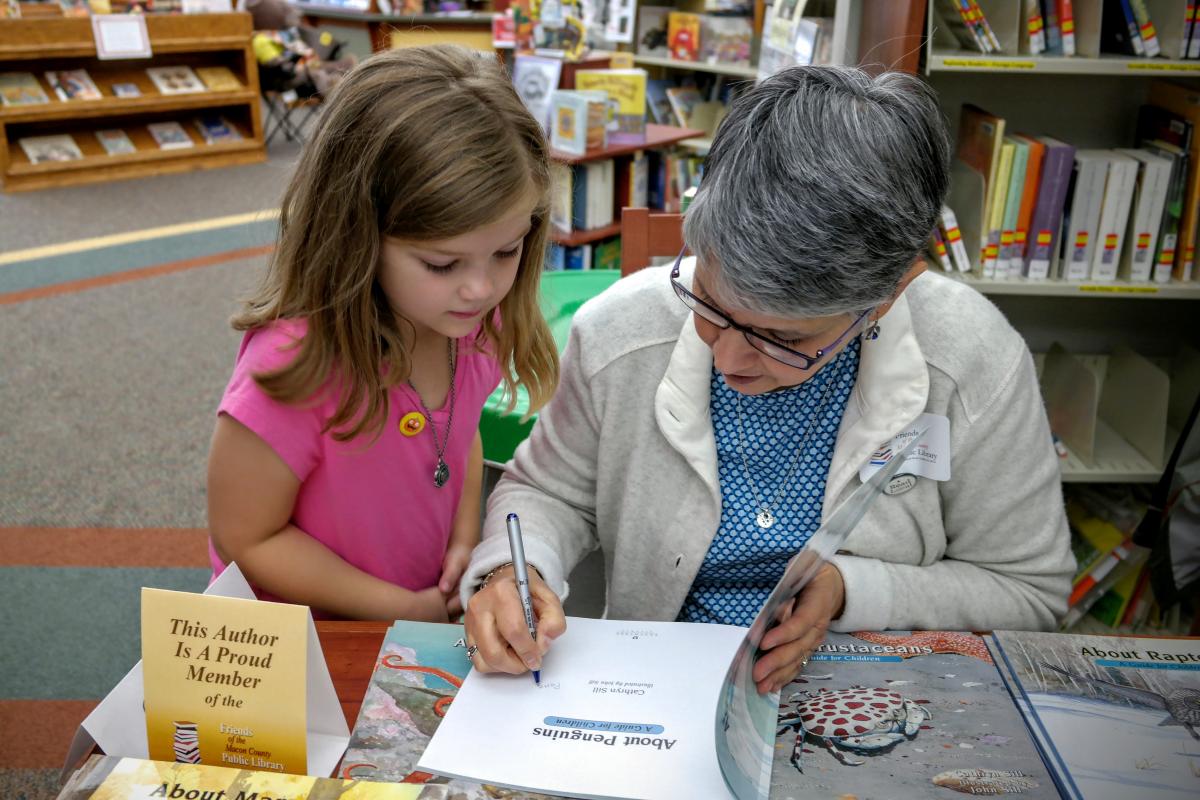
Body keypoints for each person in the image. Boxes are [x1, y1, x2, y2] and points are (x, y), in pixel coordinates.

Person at [462, 65, 1074, 693]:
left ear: (885, 297)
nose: (727, 360)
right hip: (652, 696)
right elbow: (548, 493)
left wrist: (851, 590)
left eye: (783, 339)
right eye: (710, 304)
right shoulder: (622, 331)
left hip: (869, 696)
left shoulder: (971, 358)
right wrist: (514, 571)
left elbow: (1030, 591)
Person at [206, 45, 558, 621]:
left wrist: (466, 538)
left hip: (407, 624)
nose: (481, 288)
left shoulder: (474, 327)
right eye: (442, 264)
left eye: (506, 250)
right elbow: (247, 538)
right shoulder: (294, 366)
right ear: (356, 234)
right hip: (301, 649)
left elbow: (460, 433)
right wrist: (395, 606)